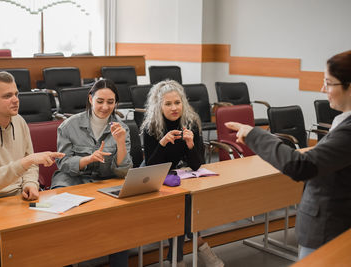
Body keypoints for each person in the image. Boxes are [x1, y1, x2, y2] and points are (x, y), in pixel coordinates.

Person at [225, 50, 351, 260]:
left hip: (329, 228)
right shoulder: (343, 121)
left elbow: (301, 166)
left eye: (329, 83)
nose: (323, 89)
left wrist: (254, 134)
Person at [0, 71, 65, 267]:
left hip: (18, 199)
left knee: (58, 232)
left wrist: (31, 184)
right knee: (26, 242)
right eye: (7, 96)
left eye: (16, 94)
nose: (15, 100)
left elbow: (31, 165)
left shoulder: (19, 121)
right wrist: (26, 162)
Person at [141, 80, 224, 267]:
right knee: (181, 205)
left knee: (185, 203)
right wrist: (162, 143)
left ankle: (175, 260)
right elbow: (151, 164)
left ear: (183, 103)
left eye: (177, 103)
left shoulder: (191, 122)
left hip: (176, 175)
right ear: (159, 105)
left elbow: (196, 165)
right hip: (153, 174)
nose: (174, 108)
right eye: (168, 104)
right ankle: (200, 248)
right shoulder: (151, 126)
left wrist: (191, 145)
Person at [51, 78, 132, 267]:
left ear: (116, 103)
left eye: (110, 102)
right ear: (90, 99)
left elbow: (123, 172)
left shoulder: (122, 128)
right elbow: (62, 163)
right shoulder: (68, 126)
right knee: (64, 220)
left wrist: (120, 142)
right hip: (72, 180)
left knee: (123, 215)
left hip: (104, 182)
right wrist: (87, 159)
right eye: (100, 101)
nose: (105, 107)